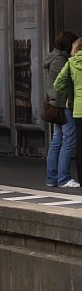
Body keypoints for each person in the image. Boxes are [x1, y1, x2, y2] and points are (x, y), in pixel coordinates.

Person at [44, 31, 78, 188]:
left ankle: (52, 177)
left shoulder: (53, 57)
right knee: (68, 140)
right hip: (62, 105)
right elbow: (63, 84)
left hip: (55, 104)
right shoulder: (60, 61)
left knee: (57, 140)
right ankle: (63, 177)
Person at [54, 37, 82, 187]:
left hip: (78, 109)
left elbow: (58, 84)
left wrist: (70, 92)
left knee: (79, 145)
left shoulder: (71, 63)